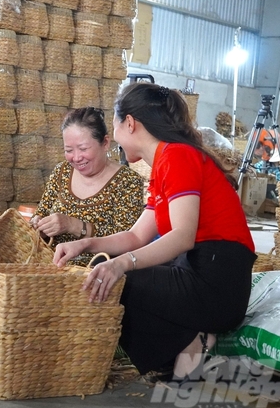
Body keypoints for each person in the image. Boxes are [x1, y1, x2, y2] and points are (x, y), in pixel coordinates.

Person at [54, 83, 256, 381]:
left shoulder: (177, 156)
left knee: (113, 276)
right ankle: (179, 347)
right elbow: (136, 237)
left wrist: (120, 264)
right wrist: (84, 244)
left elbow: (182, 236)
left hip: (218, 283)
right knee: (102, 266)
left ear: (130, 124)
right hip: (198, 270)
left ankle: (190, 342)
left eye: (115, 125)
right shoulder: (163, 164)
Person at [30, 107, 145, 266]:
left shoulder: (127, 181)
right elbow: (40, 217)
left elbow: (127, 239)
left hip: (98, 273)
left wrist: (72, 225)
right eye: (68, 150)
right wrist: (39, 226)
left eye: (83, 149)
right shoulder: (62, 172)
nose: (76, 158)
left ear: (105, 143)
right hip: (49, 269)